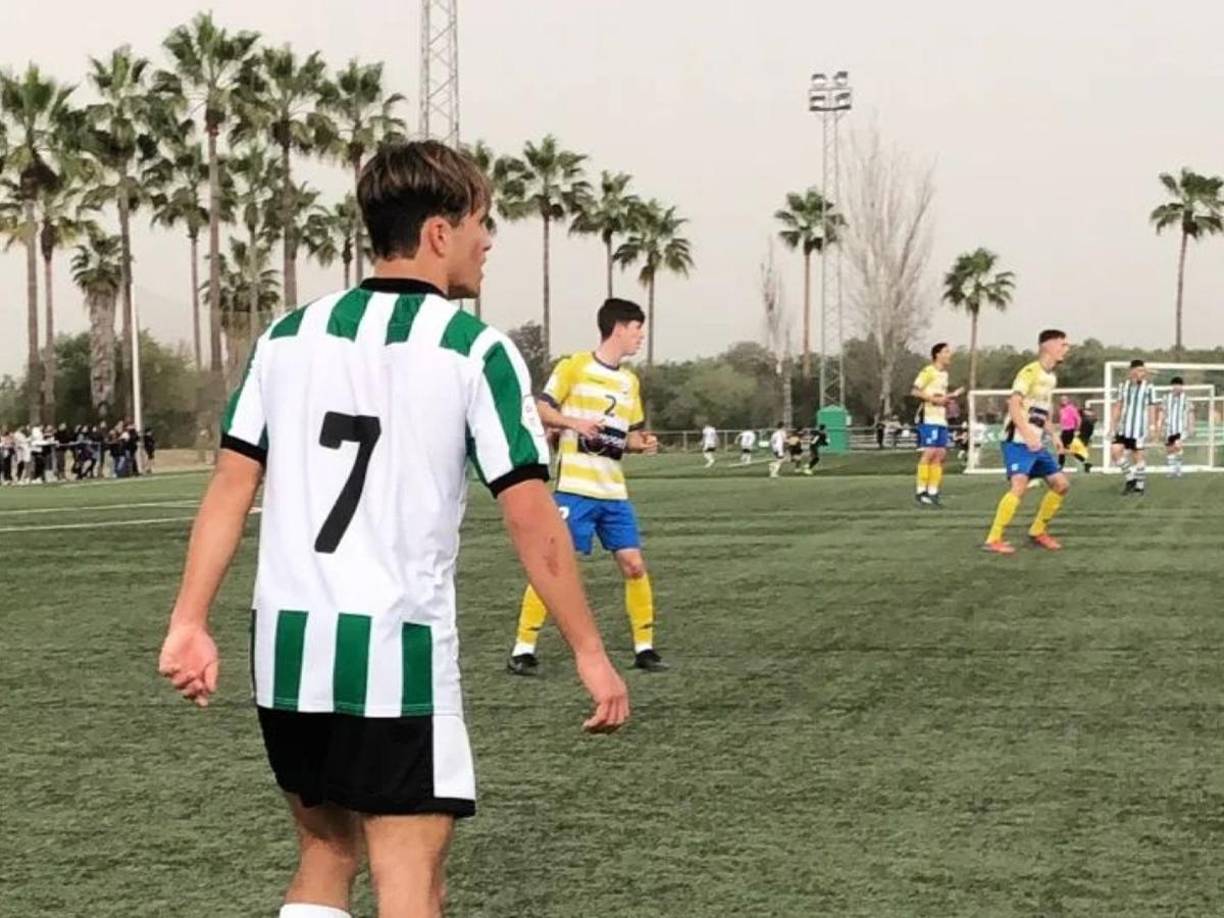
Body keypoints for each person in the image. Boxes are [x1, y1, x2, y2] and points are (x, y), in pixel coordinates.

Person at [157, 140, 629, 918]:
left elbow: (232, 485)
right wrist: (588, 650)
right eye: (482, 222)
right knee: (412, 874)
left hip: (286, 649)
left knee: (325, 851)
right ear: (439, 233)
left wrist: (188, 621)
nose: (489, 242)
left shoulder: (286, 337)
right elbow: (530, 515)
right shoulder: (475, 350)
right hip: (394, 649)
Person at [508, 297, 667, 676]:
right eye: (636, 328)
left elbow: (626, 436)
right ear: (618, 328)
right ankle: (522, 649)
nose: (640, 336)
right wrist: (572, 423)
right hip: (575, 490)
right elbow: (539, 407)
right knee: (556, 566)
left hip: (613, 492)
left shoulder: (629, 382)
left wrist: (640, 443)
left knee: (633, 564)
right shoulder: (575, 366)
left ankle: (644, 648)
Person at [983, 329, 1072, 554]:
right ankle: (993, 539)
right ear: (1048, 346)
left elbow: (1043, 411)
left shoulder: (1051, 377)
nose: (1066, 348)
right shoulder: (1029, 371)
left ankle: (1037, 531)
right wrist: (1028, 434)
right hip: (1017, 440)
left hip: (1035, 443)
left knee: (1061, 485)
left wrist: (1053, 435)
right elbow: (1014, 405)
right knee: (1019, 486)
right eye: (1063, 344)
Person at [911, 342, 964, 507]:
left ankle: (933, 492)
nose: (950, 355)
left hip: (941, 419)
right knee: (929, 452)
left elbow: (940, 396)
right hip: (929, 419)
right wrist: (935, 400)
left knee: (940, 454)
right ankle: (921, 491)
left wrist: (950, 398)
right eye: (946, 352)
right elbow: (915, 391)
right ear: (937, 354)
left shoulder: (944, 375)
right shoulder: (928, 371)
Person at [1111, 358, 1157, 495]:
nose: (1140, 373)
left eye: (1142, 370)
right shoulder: (1123, 386)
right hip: (1123, 427)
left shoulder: (1149, 387)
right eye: (1138, 370)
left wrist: (1152, 426)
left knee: (1137, 456)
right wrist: (1112, 424)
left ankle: (1140, 487)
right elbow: (1118, 405)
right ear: (1131, 371)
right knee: (1115, 451)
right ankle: (1130, 480)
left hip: (1139, 428)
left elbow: (1151, 408)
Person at [1159, 376, 1192, 478]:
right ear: (1172, 386)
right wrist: (1160, 425)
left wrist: (1191, 426)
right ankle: (1172, 469)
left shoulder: (1186, 399)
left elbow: (1190, 413)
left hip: (1181, 427)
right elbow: (1162, 412)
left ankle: (1178, 468)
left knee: (1177, 446)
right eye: (1175, 385)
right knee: (1170, 448)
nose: (1177, 387)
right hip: (1169, 427)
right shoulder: (1166, 398)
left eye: (1179, 385)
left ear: (1182, 387)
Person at [1056, 395, 1080, 470]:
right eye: (1062, 399)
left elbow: (1078, 419)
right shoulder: (1061, 410)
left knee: (1063, 448)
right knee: (1060, 447)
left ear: (1068, 400)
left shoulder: (1071, 408)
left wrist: (1077, 429)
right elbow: (1062, 421)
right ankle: (1060, 465)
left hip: (1070, 431)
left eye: (1065, 399)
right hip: (1064, 431)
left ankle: (1079, 458)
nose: (1063, 401)